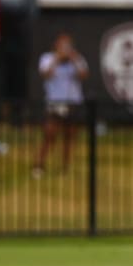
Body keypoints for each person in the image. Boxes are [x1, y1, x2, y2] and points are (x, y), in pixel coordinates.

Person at [33, 33, 89, 179]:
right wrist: (58, 59)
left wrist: (74, 60)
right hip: (55, 102)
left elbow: (83, 75)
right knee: (49, 135)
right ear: (56, 46)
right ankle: (39, 165)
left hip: (72, 102)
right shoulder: (47, 58)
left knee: (69, 136)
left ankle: (65, 167)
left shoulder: (77, 59)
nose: (65, 49)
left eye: (68, 46)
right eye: (62, 46)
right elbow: (45, 74)